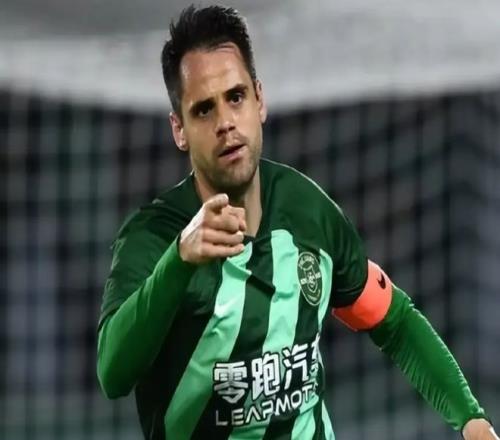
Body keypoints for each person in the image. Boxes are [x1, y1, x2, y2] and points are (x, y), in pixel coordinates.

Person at [96, 5, 497, 439]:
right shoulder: (153, 237)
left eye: (236, 97)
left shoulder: (307, 211)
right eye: (204, 110)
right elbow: (113, 374)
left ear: (260, 100)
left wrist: (470, 418)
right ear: (179, 130)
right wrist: (178, 261)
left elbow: (394, 321)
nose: (226, 123)